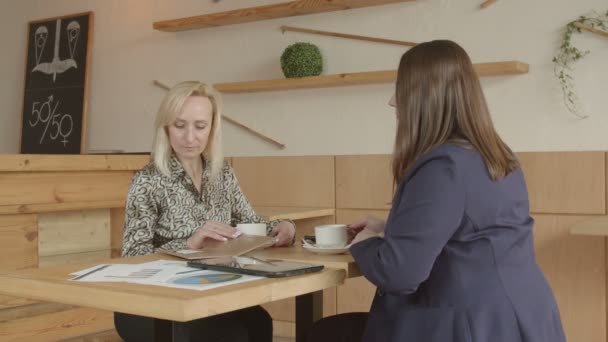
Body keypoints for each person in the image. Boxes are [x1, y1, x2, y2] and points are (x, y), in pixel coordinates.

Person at [306, 40, 566, 342]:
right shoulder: (496, 155)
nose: (393, 101)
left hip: (465, 325)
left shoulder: (442, 165)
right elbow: (470, 229)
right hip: (521, 315)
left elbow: (399, 274)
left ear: (424, 98)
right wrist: (391, 227)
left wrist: (363, 243)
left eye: (400, 90)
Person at [114, 81, 296, 342]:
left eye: (200, 126)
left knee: (259, 323)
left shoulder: (222, 174)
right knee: (230, 335)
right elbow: (132, 256)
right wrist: (188, 244)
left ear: (212, 128)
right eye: (180, 125)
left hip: (209, 294)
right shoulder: (147, 180)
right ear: (165, 127)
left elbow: (251, 224)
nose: (190, 137)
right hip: (156, 303)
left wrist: (284, 227)